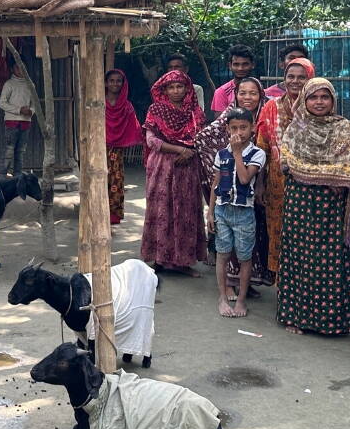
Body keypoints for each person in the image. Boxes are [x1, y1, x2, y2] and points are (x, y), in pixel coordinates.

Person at [277, 77, 350, 335]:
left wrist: (317, 174)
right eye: (313, 97)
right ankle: (295, 317)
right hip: (300, 204)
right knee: (298, 258)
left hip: (332, 208)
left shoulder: (346, 129)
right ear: (304, 99)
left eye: (325, 97)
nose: (319, 102)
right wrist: (328, 175)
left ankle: (332, 322)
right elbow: (286, 162)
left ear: (333, 100)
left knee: (331, 260)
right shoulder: (296, 128)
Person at [195, 77, 270, 293]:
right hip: (229, 190)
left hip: (252, 188)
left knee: (249, 241)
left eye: (253, 93)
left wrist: (262, 182)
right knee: (226, 244)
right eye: (242, 93)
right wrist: (219, 164)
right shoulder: (229, 117)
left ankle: (246, 283)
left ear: (261, 95)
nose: (247, 97)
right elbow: (202, 139)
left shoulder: (266, 113)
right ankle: (228, 283)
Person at [141, 69, 208, 276]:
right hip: (162, 166)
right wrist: (180, 150)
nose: (176, 90)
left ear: (187, 88)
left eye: (180, 86)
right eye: (171, 87)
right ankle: (160, 260)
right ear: (165, 89)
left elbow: (203, 137)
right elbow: (151, 140)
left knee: (186, 212)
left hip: (188, 168)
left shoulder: (195, 111)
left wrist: (191, 151)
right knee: (161, 211)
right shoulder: (156, 109)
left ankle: (183, 262)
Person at [255, 57, 314, 280]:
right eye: (291, 77)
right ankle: (284, 289)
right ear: (284, 79)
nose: (295, 81)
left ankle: (304, 287)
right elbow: (262, 148)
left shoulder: (318, 105)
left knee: (306, 238)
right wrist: (260, 184)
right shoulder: (272, 107)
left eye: (302, 77)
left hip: (309, 186)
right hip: (277, 185)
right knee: (279, 236)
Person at [208, 108, 266, 317]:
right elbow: (216, 182)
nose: (238, 132)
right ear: (227, 129)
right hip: (223, 210)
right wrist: (210, 212)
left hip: (244, 214)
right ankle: (222, 297)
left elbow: (244, 179)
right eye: (234, 128)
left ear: (252, 129)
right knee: (222, 255)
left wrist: (238, 153)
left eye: (243, 128)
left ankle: (241, 300)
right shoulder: (221, 153)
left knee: (244, 257)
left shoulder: (257, 154)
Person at [106, 69, 142, 225]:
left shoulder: (126, 106)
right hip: (97, 148)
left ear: (123, 83)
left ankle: (112, 217)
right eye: (112, 80)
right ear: (106, 83)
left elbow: (134, 127)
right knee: (98, 181)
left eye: (118, 80)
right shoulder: (98, 103)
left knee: (116, 181)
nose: (115, 83)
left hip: (116, 151)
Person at [0, 56, 34, 177]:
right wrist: (19, 110)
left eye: (23, 67)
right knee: (9, 151)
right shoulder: (9, 84)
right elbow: (2, 103)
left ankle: (17, 174)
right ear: (12, 69)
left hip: (26, 123)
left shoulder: (30, 85)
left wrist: (31, 111)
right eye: (18, 67)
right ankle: (2, 174)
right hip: (11, 123)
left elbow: (34, 104)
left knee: (21, 151)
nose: (20, 70)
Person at [210, 45, 257, 114]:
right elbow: (219, 123)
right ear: (230, 66)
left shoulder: (260, 90)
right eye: (236, 64)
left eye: (245, 64)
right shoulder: (221, 92)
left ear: (253, 65)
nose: (240, 68)